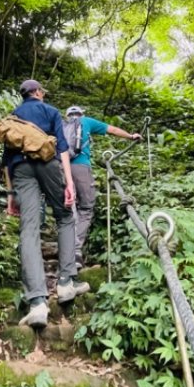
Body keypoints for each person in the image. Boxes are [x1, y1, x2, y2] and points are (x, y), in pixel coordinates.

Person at [3, 79, 90, 328]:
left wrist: (11, 195)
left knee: (28, 229)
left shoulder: (13, 118)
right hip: (48, 164)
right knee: (64, 216)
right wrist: (69, 183)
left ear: (22, 95)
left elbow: (6, 159)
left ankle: (37, 303)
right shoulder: (50, 111)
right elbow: (62, 149)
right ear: (38, 93)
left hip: (20, 169)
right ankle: (65, 283)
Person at [65, 105, 142, 268]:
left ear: (67, 116)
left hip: (61, 168)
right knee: (86, 207)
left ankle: (66, 249)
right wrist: (130, 136)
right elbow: (112, 129)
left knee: (68, 206)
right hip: (81, 167)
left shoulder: (61, 125)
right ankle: (75, 251)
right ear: (81, 114)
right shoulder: (86, 121)